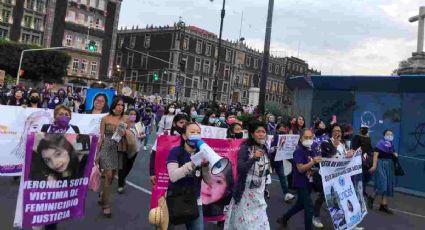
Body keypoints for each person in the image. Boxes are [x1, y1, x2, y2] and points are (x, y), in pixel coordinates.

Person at [224, 120, 270, 230]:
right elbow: (241, 168)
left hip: (259, 193)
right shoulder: (245, 148)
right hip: (245, 193)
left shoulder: (265, 148)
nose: (261, 134)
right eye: (258, 131)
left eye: (263, 132)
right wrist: (253, 158)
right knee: (246, 225)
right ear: (252, 134)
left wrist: (266, 187)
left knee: (262, 224)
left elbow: (265, 170)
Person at [166, 122, 211, 229]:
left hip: (195, 200)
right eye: (192, 132)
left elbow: (208, 180)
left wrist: (205, 167)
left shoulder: (203, 153)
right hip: (175, 198)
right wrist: (192, 163)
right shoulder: (175, 152)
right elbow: (173, 176)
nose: (196, 134)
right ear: (184, 135)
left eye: (198, 132)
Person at [277, 129, 321, 230]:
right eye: (306, 137)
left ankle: (284, 218)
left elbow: (315, 163)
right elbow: (300, 169)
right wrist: (313, 161)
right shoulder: (298, 151)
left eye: (310, 137)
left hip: (310, 182)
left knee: (300, 205)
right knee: (309, 208)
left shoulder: (313, 149)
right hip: (301, 183)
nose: (309, 139)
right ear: (301, 139)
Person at [96, 97, 128, 218]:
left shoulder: (125, 119)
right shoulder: (105, 118)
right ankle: (105, 205)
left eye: (122, 105)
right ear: (113, 105)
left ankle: (103, 194)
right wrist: (98, 154)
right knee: (108, 175)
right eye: (118, 105)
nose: (120, 107)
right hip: (107, 148)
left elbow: (129, 133)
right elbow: (101, 136)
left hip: (119, 149)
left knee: (112, 177)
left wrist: (127, 132)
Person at [149, 114, 190, 186]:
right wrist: (152, 173)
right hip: (164, 174)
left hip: (183, 175)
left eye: (186, 123)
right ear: (174, 123)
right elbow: (154, 154)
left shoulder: (190, 138)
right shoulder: (164, 135)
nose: (183, 125)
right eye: (181, 122)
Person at [368, 129, 397, 214]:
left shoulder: (391, 145)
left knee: (387, 185)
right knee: (382, 184)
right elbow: (375, 155)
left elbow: (393, 153)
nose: (390, 136)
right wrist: (374, 165)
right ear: (384, 135)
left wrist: (395, 154)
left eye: (391, 134)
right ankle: (372, 197)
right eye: (388, 134)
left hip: (389, 165)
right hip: (381, 164)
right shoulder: (380, 144)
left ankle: (383, 205)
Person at [117, 108, 143, 193]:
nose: (132, 116)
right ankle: (120, 185)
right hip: (123, 148)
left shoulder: (139, 125)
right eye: (131, 114)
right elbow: (117, 136)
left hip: (134, 149)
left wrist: (142, 136)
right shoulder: (123, 124)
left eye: (134, 114)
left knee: (129, 166)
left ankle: (123, 178)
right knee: (122, 166)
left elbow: (142, 136)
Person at [269, 123, 295, 202]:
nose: (283, 129)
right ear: (277, 129)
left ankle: (286, 193)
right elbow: (270, 148)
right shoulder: (275, 137)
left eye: (284, 128)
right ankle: (263, 190)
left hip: (279, 160)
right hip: (271, 159)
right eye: (281, 128)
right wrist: (275, 148)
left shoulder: (287, 137)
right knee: (266, 176)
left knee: (282, 177)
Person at [352, 125, 373, 198]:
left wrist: (371, 157)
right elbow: (354, 148)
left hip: (367, 160)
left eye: (366, 129)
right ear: (360, 129)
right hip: (359, 159)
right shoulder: (356, 137)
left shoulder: (368, 138)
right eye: (363, 129)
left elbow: (370, 148)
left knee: (368, 176)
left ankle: (362, 189)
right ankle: (360, 191)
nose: (365, 130)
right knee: (360, 176)